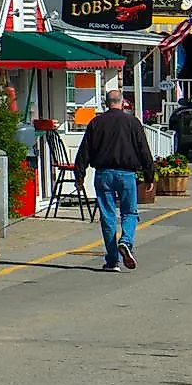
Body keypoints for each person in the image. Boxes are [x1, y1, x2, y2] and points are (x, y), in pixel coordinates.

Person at [75, 87, 157, 272]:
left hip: (103, 173)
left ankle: (112, 260)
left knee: (108, 215)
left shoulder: (96, 122)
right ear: (122, 103)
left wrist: (79, 176)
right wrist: (149, 175)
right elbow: (143, 150)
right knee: (129, 212)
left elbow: (84, 151)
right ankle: (126, 241)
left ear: (106, 104)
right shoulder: (132, 123)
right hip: (127, 174)